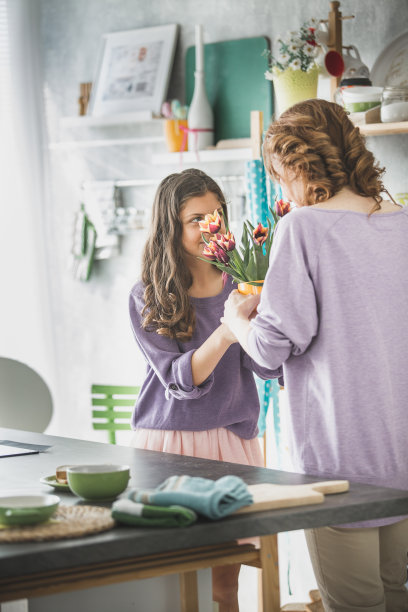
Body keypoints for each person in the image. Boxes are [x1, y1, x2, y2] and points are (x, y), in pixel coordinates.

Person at [221, 99, 408, 612]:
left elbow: (274, 344)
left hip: (339, 458)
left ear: (301, 166)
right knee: (396, 594)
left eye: (282, 180)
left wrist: (237, 321)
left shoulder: (302, 229)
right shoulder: (402, 222)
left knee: (355, 604)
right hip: (402, 453)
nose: (285, 193)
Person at [128, 168, 282, 612]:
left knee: (225, 586)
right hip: (169, 442)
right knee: (174, 583)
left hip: (234, 441)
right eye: (196, 219)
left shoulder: (242, 281)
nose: (210, 227)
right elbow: (180, 380)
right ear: (170, 228)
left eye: (217, 215)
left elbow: (264, 364)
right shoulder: (148, 295)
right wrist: (229, 330)